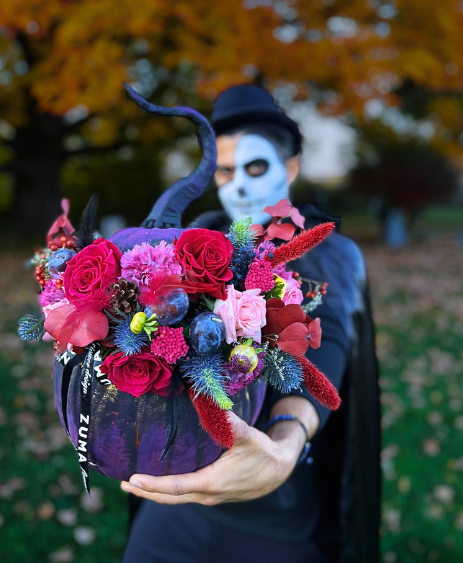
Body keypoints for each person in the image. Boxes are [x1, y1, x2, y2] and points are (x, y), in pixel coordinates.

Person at [121, 85, 381, 563]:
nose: (237, 185)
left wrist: (284, 444)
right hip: (175, 506)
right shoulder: (192, 238)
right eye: (223, 170)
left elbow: (331, 337)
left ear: (292, 168)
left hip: (277, 516)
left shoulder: (328, 252)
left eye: (255, 167)